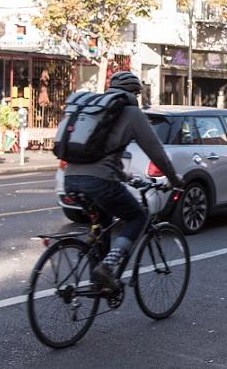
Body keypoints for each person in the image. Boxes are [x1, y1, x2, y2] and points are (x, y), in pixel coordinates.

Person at [64, 71, 183, 290]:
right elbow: (156, 153)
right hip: (100, 183)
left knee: (102, 226)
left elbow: (101, 152)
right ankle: (107, 268)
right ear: (135, 93)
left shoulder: (96, 112)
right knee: (139, 216)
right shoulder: (131, 113)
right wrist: (174, 179)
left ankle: (97, 284)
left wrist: (124, 176)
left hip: (70, 180)